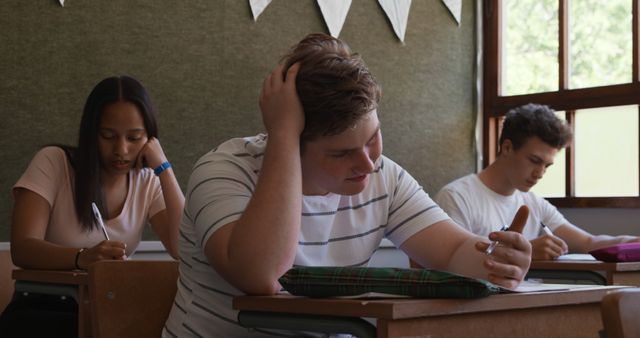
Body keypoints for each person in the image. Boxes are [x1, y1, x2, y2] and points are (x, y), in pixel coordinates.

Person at [163, 33, 531, 337]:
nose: (367, 163)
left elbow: (452, 253)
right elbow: (262, 276)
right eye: (340, 154)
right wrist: (283, 135)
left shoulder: (383, 175)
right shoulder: (223, 169)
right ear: (290, 138)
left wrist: (497, 263)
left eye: (373, 138)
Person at [0, 75, 185, 337]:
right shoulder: (54, 162)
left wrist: (164, 168)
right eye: (108, 136)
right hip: (46, 308)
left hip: (109, 311)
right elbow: (23, 247)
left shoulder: (146, 181)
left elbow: (182, 246)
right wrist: (82, 257)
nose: (121, 150)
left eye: (134, 138)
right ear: (91, 132)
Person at [436, 103, 640, 261]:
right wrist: (526, 251)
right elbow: (443, 261)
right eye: (534, 161)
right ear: (507, 148)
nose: (540, 173)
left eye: (547, 166)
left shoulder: (534, 203)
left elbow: (589, 242)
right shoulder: (457, 197)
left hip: (532, 303)